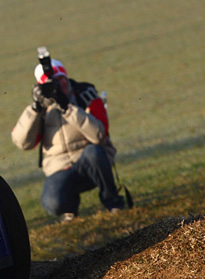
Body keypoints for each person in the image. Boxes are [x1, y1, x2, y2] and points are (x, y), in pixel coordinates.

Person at [11, 59, 126, 221]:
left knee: (94, 152)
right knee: (52, 203)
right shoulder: (40, 110)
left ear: (67, 77)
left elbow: (99, 136)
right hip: (59, 169)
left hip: (91, 163)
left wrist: (68, 109)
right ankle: (69, 209)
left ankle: (113, 202)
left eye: (61, 80)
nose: (58, 86)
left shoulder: (85, 96)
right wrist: (35, 109)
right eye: (52, 84)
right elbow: (23, 143)